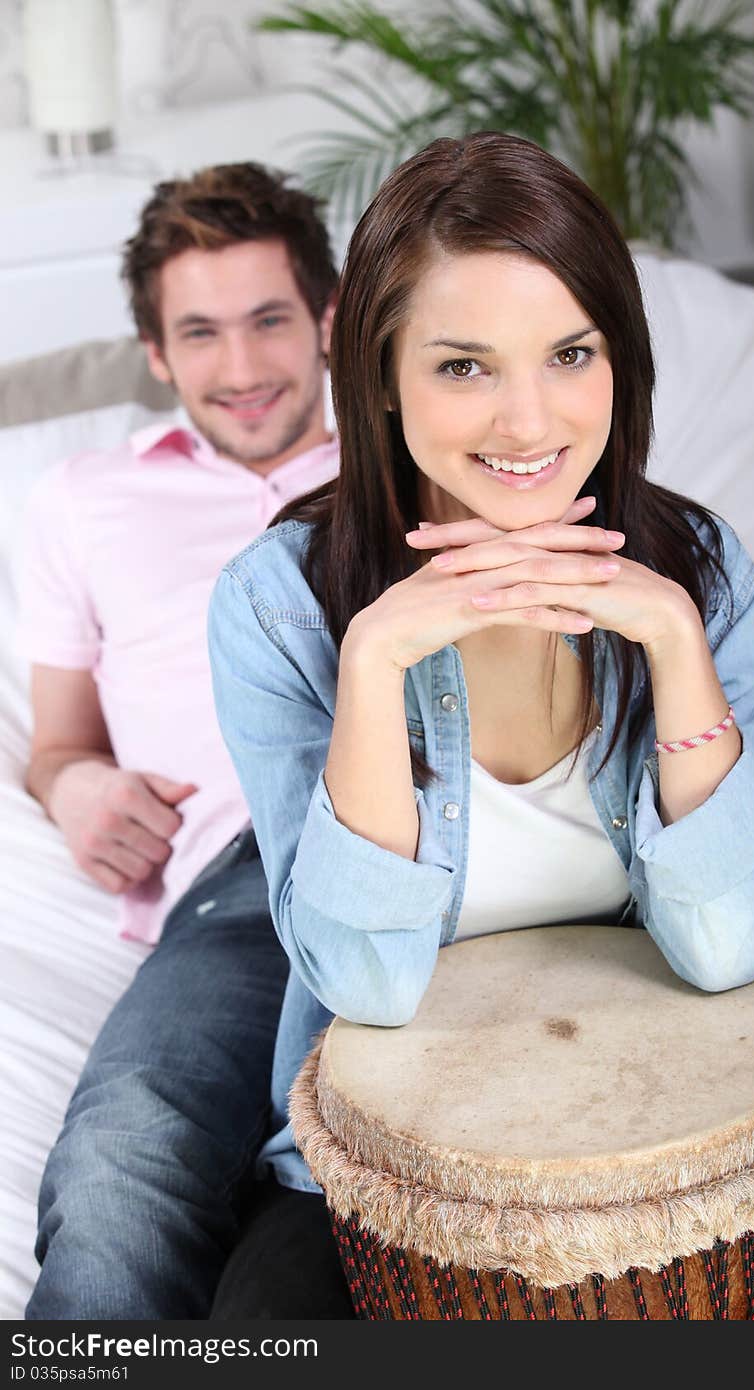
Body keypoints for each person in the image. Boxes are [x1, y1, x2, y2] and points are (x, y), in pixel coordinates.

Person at [207, 131, 754, 1318]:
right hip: (384, 1162)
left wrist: (673, 642)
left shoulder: (700, 572)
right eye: (464, 366)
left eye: (569, 352)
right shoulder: (277, 606)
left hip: (678, 1136)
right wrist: (373, 664)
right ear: (376, 377)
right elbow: (363, 977)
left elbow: (729, 947)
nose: (528, 422)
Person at [21, 162, 339, 1319]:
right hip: (239, 878)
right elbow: (54, 739)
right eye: (199, 332)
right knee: (118, 1172)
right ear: (156, 353)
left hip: (461, 824)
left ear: (329, 318)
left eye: (268, 321)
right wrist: (77, 788)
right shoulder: (83, 498)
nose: (243, 369)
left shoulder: (420, 458)